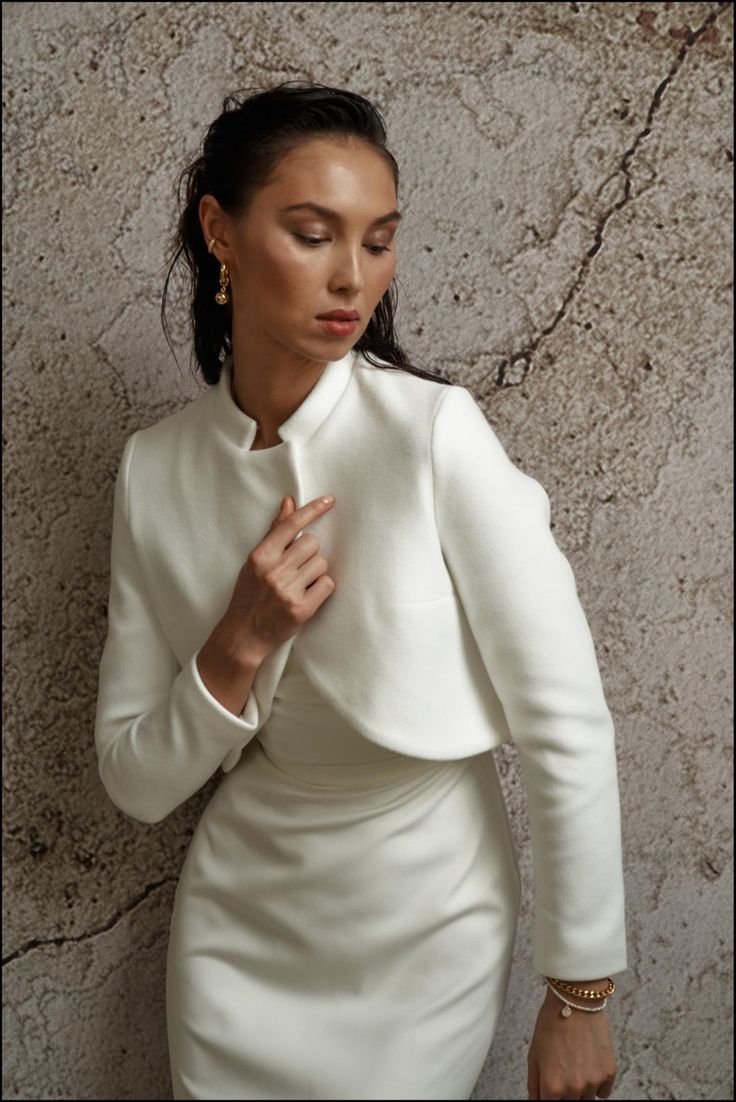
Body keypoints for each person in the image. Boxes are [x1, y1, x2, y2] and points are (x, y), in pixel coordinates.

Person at [94, 81, 627, 1101]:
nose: (353, 278)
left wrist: (580, 993)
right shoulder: (153, 471)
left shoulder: (434, 434)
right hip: (238, 929)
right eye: (311, 233)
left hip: (425, 917)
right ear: (221, 232)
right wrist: (234, 646)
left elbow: (566, 721)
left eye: (378, 240)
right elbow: (134, 780)